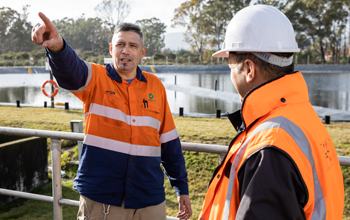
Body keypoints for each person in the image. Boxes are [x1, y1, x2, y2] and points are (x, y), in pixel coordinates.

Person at [32, 12, 192, 220]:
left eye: (133, 46)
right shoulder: (95, 77)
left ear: (142, 52)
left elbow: (169, 143)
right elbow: (71, 71)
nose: (126, 50)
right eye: (120, 44)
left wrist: (181, 188)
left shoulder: (156, 87)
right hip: (102, 199)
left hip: (149, 200)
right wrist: (58, 47)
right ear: (111, 49)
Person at [199, 5, 344, 220]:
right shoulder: (301, 116)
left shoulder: (269, 147)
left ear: (248, 69)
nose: (230, 73)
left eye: (230, 64)